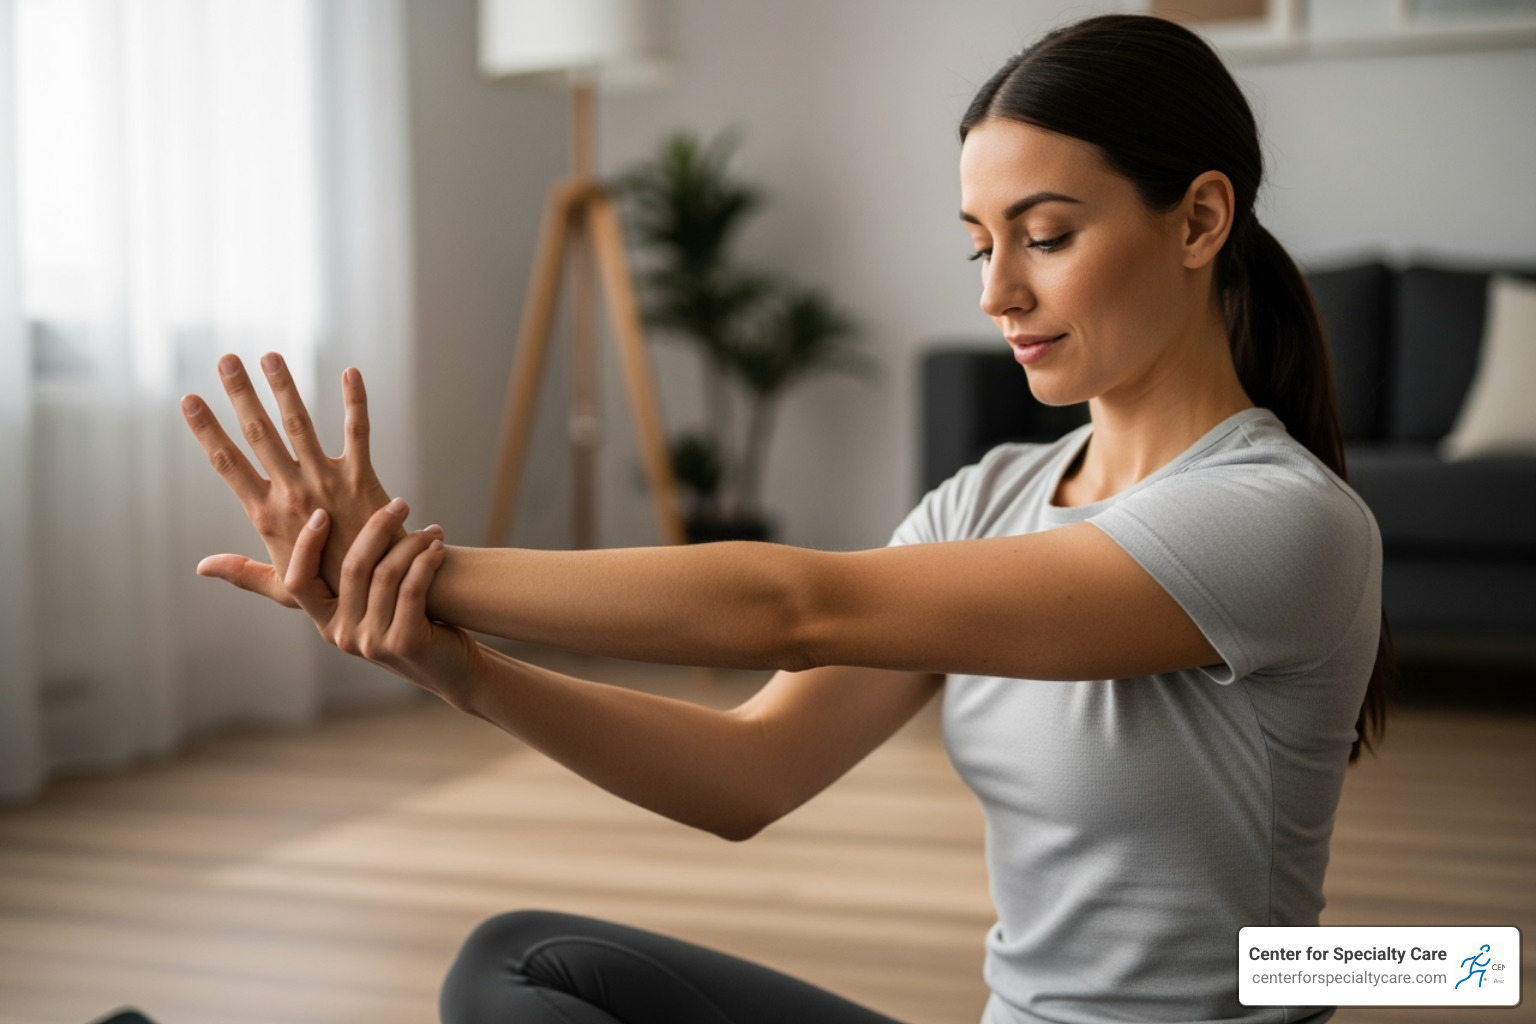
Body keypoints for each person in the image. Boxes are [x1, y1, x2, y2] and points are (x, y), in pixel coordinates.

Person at [176, 14, 1393, 1024]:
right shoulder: (992, 498)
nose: (997, 292)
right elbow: (749, 770)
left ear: (1199, 221)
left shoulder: (1279, 520)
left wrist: (413, 567)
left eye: (1046, 236)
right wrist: (463, 670)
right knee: (519, 965)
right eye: (979, 245)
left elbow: (798, 608)